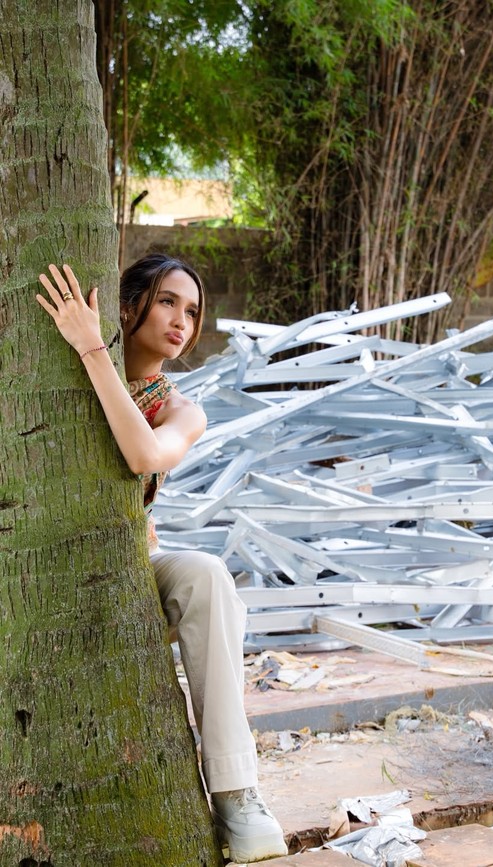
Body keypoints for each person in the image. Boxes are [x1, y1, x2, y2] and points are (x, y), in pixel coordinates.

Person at [36, 255, 288, 864]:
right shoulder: (40, 368)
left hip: (133, 564)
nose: (183, 321)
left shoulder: (183, 408)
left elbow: (146, 455)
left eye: (193, 310)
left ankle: (235, 791)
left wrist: (93, 351)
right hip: (36, 562)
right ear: (131, 304)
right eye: (168, 301)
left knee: (205, 573)